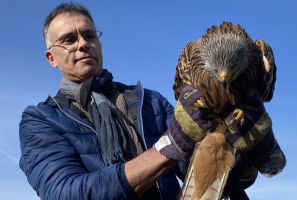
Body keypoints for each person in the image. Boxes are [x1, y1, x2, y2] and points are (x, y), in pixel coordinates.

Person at [19, 3, 217, 199]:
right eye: (69, 39)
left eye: (89, 35)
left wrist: (239, 154)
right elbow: (64, 192)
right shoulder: (41, 120)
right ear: (51, 58)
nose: (82, 44)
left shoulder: (150, 101)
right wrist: (169, 147)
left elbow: (202, 171)